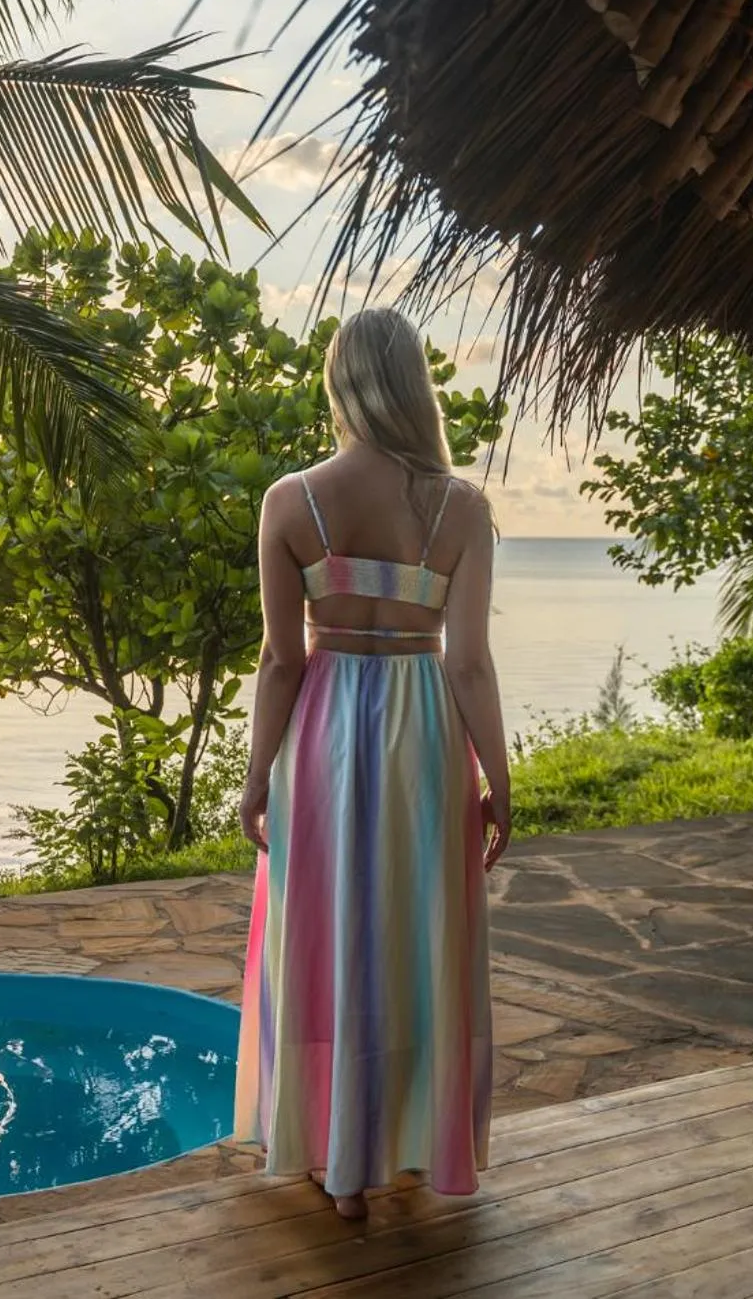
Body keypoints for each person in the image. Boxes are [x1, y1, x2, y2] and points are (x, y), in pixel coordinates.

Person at [234, 306, 508, 1222]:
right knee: (416, 936)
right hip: (426, 733)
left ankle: (335, 1162)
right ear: (414, 383)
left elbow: (281, 659)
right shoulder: (463, 507)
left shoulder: (292, 500)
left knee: (327, 933)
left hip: (324, 734)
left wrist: (254, 771)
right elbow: (468, 660)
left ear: (341, 383)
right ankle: (408, 1150)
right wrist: (497, 776)